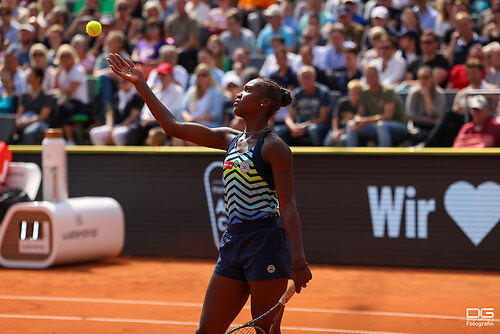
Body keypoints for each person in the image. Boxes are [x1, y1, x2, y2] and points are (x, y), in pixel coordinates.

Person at [107, 52, 312, 333]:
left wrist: (298, 261)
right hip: (233, 242)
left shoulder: (274, 146)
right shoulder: (228, 138)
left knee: (266, 331)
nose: (239, 94)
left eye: (248, 91)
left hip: (265, 243)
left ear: (264, 103)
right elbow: (172, 127)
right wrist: (141, 84)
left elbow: (288, 206)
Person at [346, 65, 408, 147]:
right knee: (351, 124)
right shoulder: (365, 93)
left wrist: (364, 121)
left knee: (382, 125)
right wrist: (358, 119)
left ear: (377, 77)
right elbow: (360, 113)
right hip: (375, 126)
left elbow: (387, 117)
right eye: (367, 76)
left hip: (398, 125)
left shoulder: (388, 92)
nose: (370, 79)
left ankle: (383, 157)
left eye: (372, 76)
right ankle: (351, 157)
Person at [274, 65, 331, 146]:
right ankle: (289, 156)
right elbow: (289, 117)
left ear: (314, 78)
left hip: (318, 126)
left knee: (313, 129)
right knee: (278, 130)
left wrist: (305, 126)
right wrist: (293, 127)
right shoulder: (297, 93)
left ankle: (320, 157)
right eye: (303, 77)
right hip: (301, 126)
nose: (305, 80)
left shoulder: (323, 92)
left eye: (308, 77)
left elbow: (323, 119)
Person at [175, 64, 225, 145]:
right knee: (176, 136)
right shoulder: (191, 91)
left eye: (205, 75)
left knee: (191, 135)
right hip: (191, 124)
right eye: (199, 75)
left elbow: (216, 113)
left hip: (209, 126)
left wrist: (197, 121)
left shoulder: (216, 92)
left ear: (210, 76)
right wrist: (189, 119)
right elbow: (182, 109)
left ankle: (193, 158)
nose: (202, 77)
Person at [89, 77, 144, 146]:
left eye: (124, 82)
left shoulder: (137, 97)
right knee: (95, 133)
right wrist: (110, 128)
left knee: (117, 134)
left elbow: (133, 116)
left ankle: (123, 156)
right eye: (120, 82)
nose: (121, 84)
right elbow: (110, 113)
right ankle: (103, 156)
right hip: (115, 125)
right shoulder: (116, 95)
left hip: (129, 125)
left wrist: (120, 126)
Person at [405, 66, 446, 144]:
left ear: (432, 78)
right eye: (421, 78)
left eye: (426, 77)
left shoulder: (439, 93)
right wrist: (427, 119)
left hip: (433, 126)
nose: (423, 81)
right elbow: (411, 115)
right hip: (416, 125)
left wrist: (427, 98)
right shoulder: (414, 93)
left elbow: (436, 114)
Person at [15, 66, 52, 145]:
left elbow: (43, 117)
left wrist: (26, 123)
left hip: (40, 124)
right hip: (25, 121)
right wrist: (18, 121)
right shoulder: (25, 94)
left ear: (39, 78)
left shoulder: (47, 96)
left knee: (29, 132)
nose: (28, 77)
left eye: (31, 75)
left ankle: (27, 156)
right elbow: (20, 111)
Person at [324, 79, 362, 146]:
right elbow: (335, 118)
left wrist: (342, 132)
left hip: (349, 132)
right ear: (349, 92)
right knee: (328, 142)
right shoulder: (342, 102)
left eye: (357, 93)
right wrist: (335, 131)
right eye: (353, 93)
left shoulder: (362, 106)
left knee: (342, 140)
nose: (355, 95)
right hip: (338, 129)